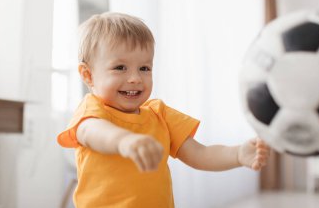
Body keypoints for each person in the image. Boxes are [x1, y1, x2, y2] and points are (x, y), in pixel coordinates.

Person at [57, 12, 270, 208]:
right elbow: (93, 132)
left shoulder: (160, 114)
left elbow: (200, 154)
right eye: (120, 67)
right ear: (88, 75)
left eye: (144, 68)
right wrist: (123, 141)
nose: (135, 78)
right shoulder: (92, 111)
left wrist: (237, 154)